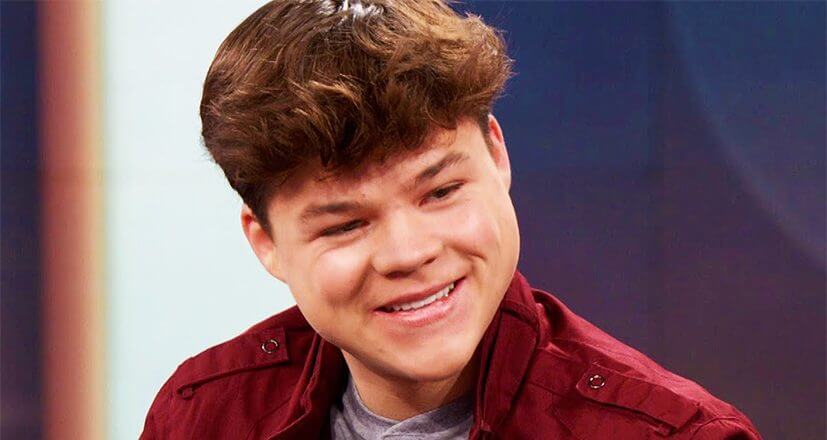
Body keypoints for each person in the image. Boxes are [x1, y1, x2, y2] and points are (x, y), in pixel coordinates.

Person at [141, 1, 761, 438]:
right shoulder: (199, 417)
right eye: (345, 225)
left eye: (440, 192)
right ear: (266, 242)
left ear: (497, 155)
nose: (408, 252)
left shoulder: (677, 435)